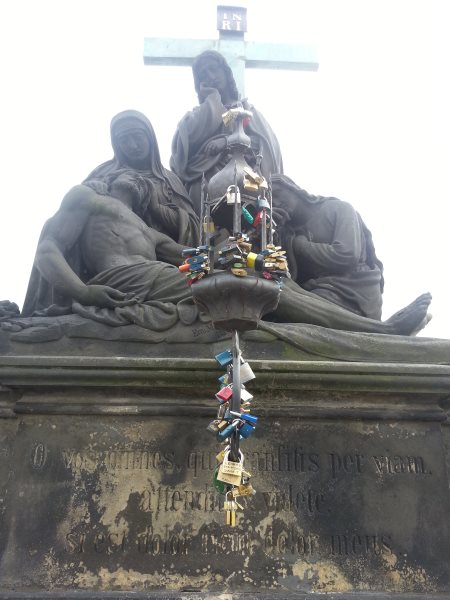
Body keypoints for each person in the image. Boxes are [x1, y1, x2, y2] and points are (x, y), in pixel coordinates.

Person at [21, 171, 430, 336]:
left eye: (145, 179)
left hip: (152, 275)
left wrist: (231, 246)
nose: (139, 179)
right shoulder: (87, 198)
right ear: (111, 177)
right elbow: (48, 249)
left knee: (263, 276)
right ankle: (381, 332)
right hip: (121, 280)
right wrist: (84, 292)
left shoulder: (145, 227)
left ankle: (371, 328)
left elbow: (191, 254)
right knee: (241, 284)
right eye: (131, 176)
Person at [170, 50, 283, 215]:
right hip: (206, 184)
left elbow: (265, 147)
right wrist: (212, 99)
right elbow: (182, 149)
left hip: (246, 183)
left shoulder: (248, 112)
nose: (210, 76)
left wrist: (227, 142)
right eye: (203, 75)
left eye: (213, 69)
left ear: (225, 72)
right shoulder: (197, 115)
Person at [271, 174, 384, 319]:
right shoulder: (288, 234)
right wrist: (276, 232)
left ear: (293, 189)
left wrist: (300, 246)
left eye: (277, 194)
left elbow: (346, 255)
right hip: (316, 291)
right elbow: (290, 276)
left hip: (353, 291)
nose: (276, 202)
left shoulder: (339, 208)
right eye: (271, 202)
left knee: (281, 307)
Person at [84, 110, 199, 246]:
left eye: (138, 136)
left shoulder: (169, 180)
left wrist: (156, 208)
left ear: (150, 137)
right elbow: (78, 212)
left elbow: (193, 229)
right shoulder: (102, 173)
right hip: (114, 247)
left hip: (162, 250)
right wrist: (90, 192)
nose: (133, 145)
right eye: (124, 140)